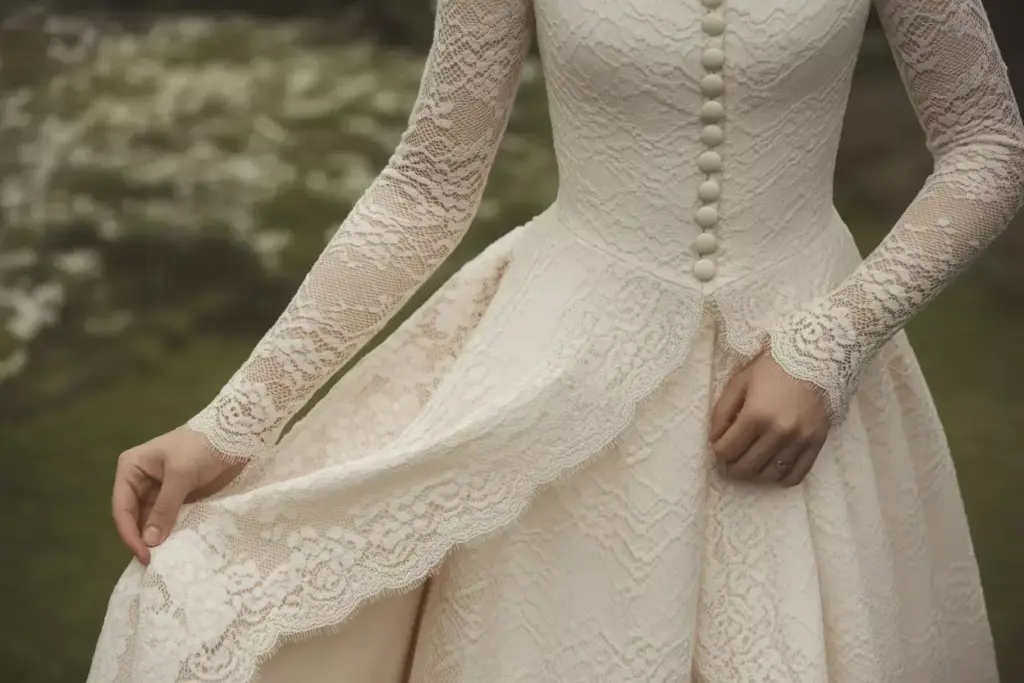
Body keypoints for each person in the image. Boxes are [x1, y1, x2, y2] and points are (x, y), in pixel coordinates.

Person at [89, 0, 1024, 681]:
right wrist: (235, 418)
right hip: (562, 386)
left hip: (807, 414)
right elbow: (428, 184)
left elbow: (987, 142)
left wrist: (834, 339)